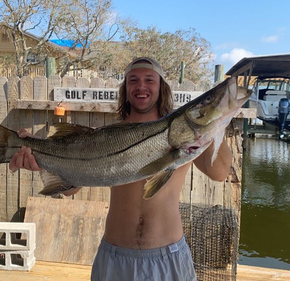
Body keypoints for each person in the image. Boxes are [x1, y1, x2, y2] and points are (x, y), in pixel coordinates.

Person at [9, 57, 232, 281]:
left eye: (149, 79)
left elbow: (220, 173)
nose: (141, 86)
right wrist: (37, 157)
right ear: (125, 89)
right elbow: (70, 189)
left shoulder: (186, 137)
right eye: (133, 80)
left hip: (169, 257)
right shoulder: (107, 135)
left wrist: (215, 123)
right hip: (115, 258)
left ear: (161, 87)